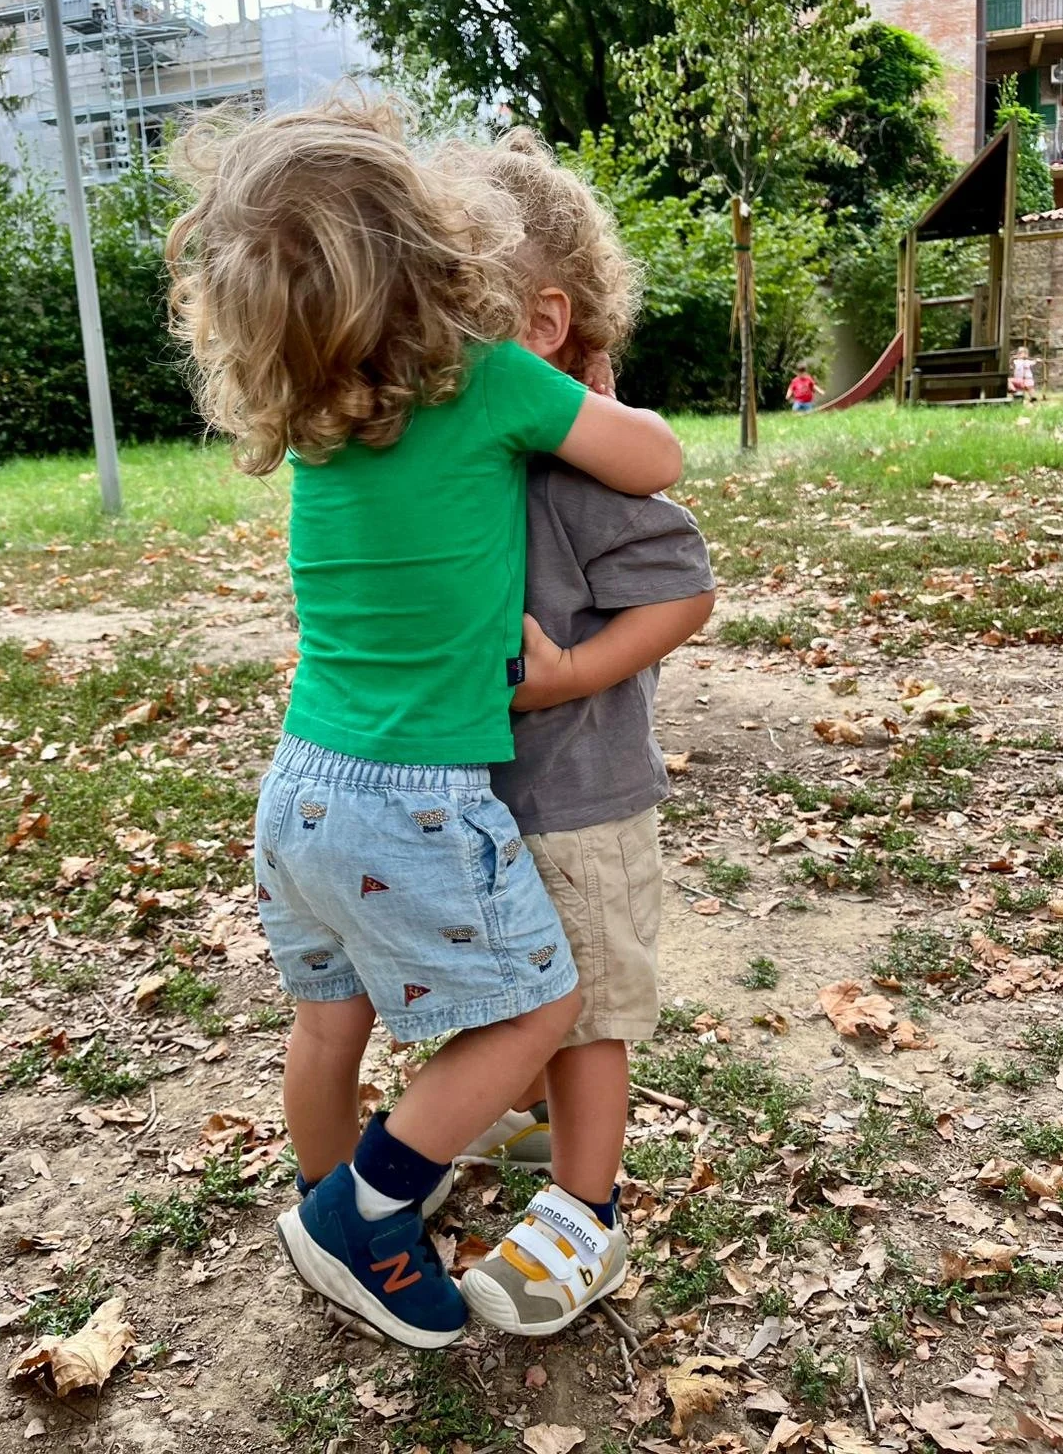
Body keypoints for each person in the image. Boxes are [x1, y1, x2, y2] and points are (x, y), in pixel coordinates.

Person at [165, 98, 685, 1350]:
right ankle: (362, 1216)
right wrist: (593, 394)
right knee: (541, 1009)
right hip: (412, 795)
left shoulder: (319, 425)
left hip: (299, 786)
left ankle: (325, 1190)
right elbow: (656, 459)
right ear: (431, 251)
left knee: (326, 1021)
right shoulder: (492, 381)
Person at [430, 131, 715, 1335]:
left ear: (543, 325)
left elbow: (685, 591)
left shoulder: (583, 465)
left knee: (589, 1004)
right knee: (518, 980)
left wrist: (572, 677)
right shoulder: (464, 457)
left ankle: (586, 1212)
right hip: (481, 793)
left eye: (452, 310)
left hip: (584, 795)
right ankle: (537, 1123)